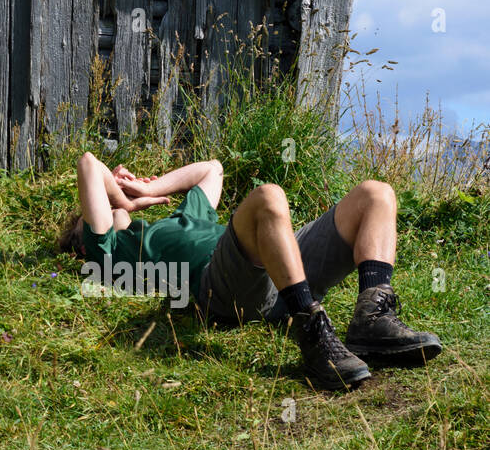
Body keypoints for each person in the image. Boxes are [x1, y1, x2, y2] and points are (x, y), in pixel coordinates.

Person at [58, 152, 442, 390]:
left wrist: (150, 188)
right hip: (223, 286)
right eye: (98, 212)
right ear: (85, 237)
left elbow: (212, 169)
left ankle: (372, 319)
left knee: (376, 193)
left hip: (278, 265)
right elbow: (89, 164)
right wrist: (124, 199)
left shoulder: (181, 218)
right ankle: (311, 331)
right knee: (268, 198)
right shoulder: (107, 253)